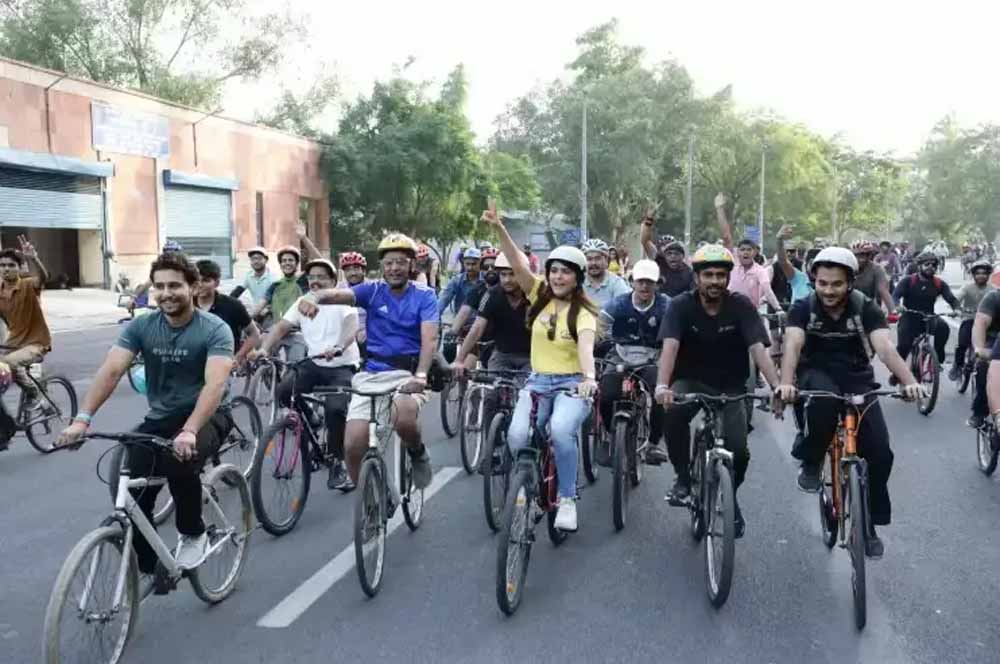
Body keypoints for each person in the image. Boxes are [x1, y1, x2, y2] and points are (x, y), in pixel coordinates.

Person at [58, 252, 234, 571]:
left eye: (175, 285)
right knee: (132, 488)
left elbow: (215, 385)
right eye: (159, 286)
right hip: (162, 418)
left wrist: (190, 430)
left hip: (208, 416)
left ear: (193, 287)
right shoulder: (142, 326)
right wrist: (82, 419)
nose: (166, 293)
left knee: (180, 461)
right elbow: (112, 371)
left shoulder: (214, 328)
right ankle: (152, 567)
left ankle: (193, 533)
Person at [775, 247, 923, 559]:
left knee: (880, 452)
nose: (829, 291)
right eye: (822, 283)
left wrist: (909, 381)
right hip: (815, 372)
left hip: (857, 376)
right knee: (822, 405)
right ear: (814, 281)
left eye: (837, 284)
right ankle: (812, 459)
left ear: (850, 283)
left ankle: (869, 524)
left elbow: (884, 348)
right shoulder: (803, 308)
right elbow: (793, 345)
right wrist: (786, 382)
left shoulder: (865, 307)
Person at [655, 244, 780, 538]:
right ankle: (683, 478)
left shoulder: (741, 305)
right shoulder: (680, 306)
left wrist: (776, 387)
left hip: (731, 385)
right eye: (708, 275)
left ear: (727, 278)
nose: (714, 281)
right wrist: (662, 385)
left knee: (740, 452)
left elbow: (758, 349)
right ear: (697, 277)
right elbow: (670, 347)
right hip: (690, 380)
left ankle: (730, 497)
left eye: (720, 275)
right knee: (672, 416)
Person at [295, 233, 437, 490]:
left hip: (408, 374)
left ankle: (417, 453)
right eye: (389, 263)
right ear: (381, 266)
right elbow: (337, 295)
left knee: (404, 417)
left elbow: (430, 339)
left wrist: (421, 375)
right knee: (352, 445)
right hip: (371, 374)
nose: (394, 268)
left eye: (400, 262)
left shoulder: (424, 295)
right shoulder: (372, 291)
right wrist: (314, 297)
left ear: (411, 265)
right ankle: (374, 499)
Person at [485, 208, 598, 532]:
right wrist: (500, 228)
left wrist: (589, 379)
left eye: (566, 272)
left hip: (572, 385)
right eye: (554, 271)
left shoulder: (584, 314)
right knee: (517, 435)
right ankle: (531, 482)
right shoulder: (538, 296)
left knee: (561, 431)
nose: (558, 277)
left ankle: (567, 498)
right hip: (537, 383)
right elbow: (517, 263)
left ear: (577, 277)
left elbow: (586, 350)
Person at [255, 258, 360, 491]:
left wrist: (340, 346)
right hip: (313, 363)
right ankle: (311, 420)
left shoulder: (342, 300)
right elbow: (280, 328)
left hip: (342, 365)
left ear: (332, 281)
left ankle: (337, 462)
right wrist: (264, 348)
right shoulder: (302, 302)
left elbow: (352, 326)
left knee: (335, 409)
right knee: (283, 392)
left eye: (321, 277)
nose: (315, 281)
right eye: (312, 277)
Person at [598, 258, 670, 465]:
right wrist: (599, 340)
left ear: (657, 284)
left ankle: (653, 443)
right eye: (640, 281)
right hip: (621, 354)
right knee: (606, 394)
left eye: (650, 282)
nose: (645, 286)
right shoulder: (618, 303)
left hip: (653, 357)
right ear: (632, 282)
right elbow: (600, 325)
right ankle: (609, 435)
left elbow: (677, 330)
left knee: (660, 394)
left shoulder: (667, 305)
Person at [0, 236, 51, 447]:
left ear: (19, 268)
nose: (6, 269)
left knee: (8, 363)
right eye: (2, 265)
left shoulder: (29, 285)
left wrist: (34, 258)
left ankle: (36, 396)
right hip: (12, 343)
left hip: (36, 342)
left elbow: (44, 277)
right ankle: (5, 427)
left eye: (11, 265)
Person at [453, 251, 531, 375]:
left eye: (512, 274)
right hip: (501, 355)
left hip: (530, 357)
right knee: (492, 385)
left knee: (529, 386)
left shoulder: (534, 295)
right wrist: (459, 360)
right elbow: (477, 327)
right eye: (503, 274)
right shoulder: (492, 294)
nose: (507, 280)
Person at [891, 251, 958, 375]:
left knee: (943, 328)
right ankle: (897, 373)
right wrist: (897, 306)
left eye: (934, 265)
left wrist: (956, 309)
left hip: (929, 317)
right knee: (903, 347)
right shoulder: (908, 281)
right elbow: (895, 295)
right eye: (927, 264)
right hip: (909, 317)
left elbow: (951, 299)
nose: (930, 267)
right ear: (919, 266)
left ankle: (937, 360)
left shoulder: (939, 283)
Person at [195, 260, 260, 367]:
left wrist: (238, 357)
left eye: (206, 281)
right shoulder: (186, 305)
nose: (200, 285)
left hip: (225, 365)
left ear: (216, 283)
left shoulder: (232, 305)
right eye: (197, 281)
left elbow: (254, 334)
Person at [449, 248, 499, 371]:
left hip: (500, 345)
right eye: (486, 267)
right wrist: (452, 332)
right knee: (463, 370)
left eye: (494, 267)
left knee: (495, 376)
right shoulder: (478, 289)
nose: (490, 270)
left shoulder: (506, 291)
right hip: (479, 340)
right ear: (481, 269)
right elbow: (464, 311)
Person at [949, 259, 993, 383]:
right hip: (969, 319)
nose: (981, 276)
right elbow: (956, 299)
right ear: (973, 275)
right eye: (978, 273)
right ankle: (957, 366)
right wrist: (956, 309)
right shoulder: (967, 288)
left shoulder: (993, 290)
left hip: (988, 324)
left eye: (984, 273)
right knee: (962, 343)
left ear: (988, 275)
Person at [640, 216, 693, 298]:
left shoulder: (689, 273)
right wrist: (648, 220)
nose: (673, 256)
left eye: (676, 253)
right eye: (669, 253)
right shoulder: (660, 261)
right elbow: (645, 241)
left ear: (682, 256)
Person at [126, 239, 183, 310]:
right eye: (167, 254)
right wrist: (133, 298)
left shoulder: (183, 270)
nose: (170, 258)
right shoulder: (160, 270)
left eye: (172, 254)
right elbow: (146, 285)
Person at [261, 245, 308, 322]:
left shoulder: (303, 280)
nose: (287, 263)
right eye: (284, 260)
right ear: (280, 265)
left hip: (298, 327)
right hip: (277, 327)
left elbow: (322, 262)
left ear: (297, 263)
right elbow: (261, 303)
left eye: (290, 260)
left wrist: (304, 239)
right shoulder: (275, 285)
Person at [581, 238, 631, 309]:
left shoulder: (616, 283)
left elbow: (624, 307)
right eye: (589, 259)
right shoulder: (577, 282)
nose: (593, 263)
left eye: (598, 258)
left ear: (606, 260)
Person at [851, 241, 896, 316]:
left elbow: (883, 290)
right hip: (848, 308)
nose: (857, 259)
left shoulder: (876, 269)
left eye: (861, 256)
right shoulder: (847, 268)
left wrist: (893, 311)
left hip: (869, 308)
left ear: (869, 256)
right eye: (855, 256)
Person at [230, 246, 275, 317]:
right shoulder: (249, 275)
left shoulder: (273, 278)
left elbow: (278, 299)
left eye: (259, 258)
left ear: (266, 260)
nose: (256, 261)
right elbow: (238, 291)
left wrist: (268, 309)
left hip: (270, 312)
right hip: (256, 311)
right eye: (253, 259)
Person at [438, 247, 482, 317]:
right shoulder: (456, 281)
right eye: (467, 264)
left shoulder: (486, 280)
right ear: (463, 263)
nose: (470, 267)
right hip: (461, 321)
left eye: (474, 264)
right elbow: (444, 299)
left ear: (480, 263)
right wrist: (434, 316)